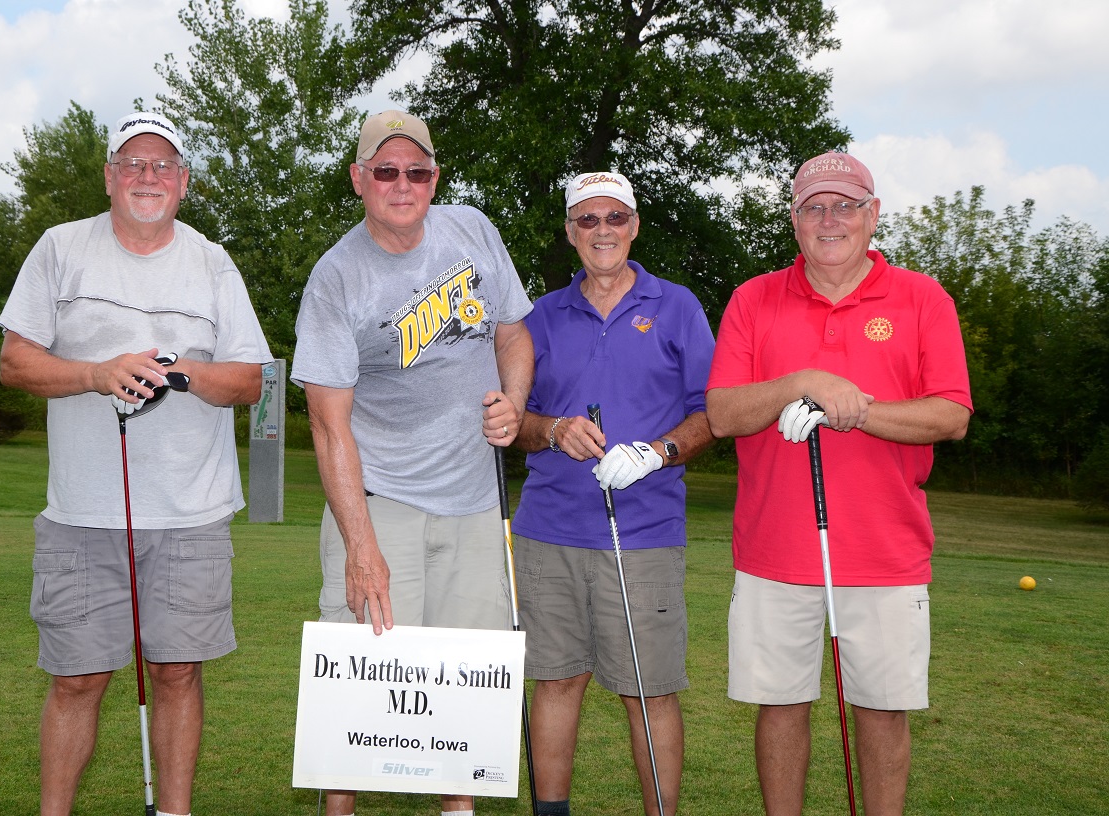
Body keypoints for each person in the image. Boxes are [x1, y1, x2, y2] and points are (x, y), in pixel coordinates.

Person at [0, 111, 272, 816]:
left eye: (163, 165)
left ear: (183, 180)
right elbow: (16, 361)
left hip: (192, 514)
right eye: (133, 163)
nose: (147, 176)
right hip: (82, 513)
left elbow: (250, 381)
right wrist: (99, 373)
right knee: (78, 679)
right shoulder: (61, 249)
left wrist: (180, 368)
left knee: (177, 671)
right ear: (109, 174)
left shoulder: (212, 260)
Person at [705, 152, 973, 816]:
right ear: (794, 219)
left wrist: (854, 409)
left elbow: (952, 414)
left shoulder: (921, 298)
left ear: (873, 214)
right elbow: (722, 413)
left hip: (885, 552)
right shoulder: (754, 298)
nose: (831, 220)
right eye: (814, 207)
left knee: (883, 712)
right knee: (781, 705)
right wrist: (802, 383)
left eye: (846, 205)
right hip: (774, 549)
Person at [290, 109, 534, 816]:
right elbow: (328, 426)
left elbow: (515, 334)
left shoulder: (474, 231)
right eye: (387, 170)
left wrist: (514, 405)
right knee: (362, 681)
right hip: (382, 496)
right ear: (359, 178)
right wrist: (360, 548)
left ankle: (456, 810)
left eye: (417, 171)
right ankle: (340, 809)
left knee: (466, 686)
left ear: (435, 177)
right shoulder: (337, 279)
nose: (403, 184)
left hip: (474, 502)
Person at [510, 171, 716, 816]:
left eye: (616, 218)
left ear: (635, 225)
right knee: (557, 680)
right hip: (550, 530)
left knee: (649, 690)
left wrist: (658, 451)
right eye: (589, 220)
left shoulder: (677, 305)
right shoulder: (539, 316)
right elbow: (514, 422)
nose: (604, 231)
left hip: (645, 533)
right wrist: (554, 430)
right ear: (571, 232)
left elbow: (714, 411)